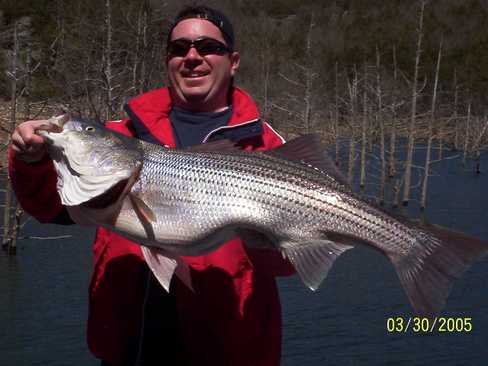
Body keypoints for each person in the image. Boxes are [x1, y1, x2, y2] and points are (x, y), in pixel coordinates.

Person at [9, 5, 294, 366]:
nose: (192, 56)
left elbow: (289, 264)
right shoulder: (120, 135)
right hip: (129, 349)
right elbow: (50, 207)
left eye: (207, 47)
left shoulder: (267, 145)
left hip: (231, 349)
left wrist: (265, 240)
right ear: (167, 60)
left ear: (233, 60)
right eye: (179, 49)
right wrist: (31, 161)